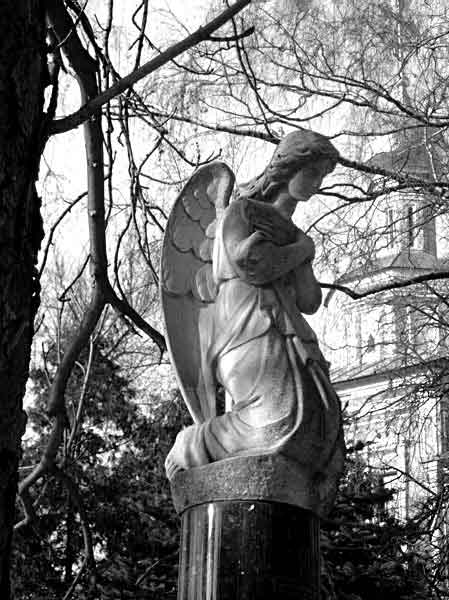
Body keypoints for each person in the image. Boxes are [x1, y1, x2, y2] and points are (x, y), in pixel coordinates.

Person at [165, 130, 344, 508]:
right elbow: (251, 264)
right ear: (289, 166)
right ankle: (193, 445)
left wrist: (302, 250)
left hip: (288, 332)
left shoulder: (295, 234)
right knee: (278, 418)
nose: (317, 184)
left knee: (317, 421)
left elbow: (310, 300)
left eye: (323, 177)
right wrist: (301, 250)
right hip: (247, 328)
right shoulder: (241, 212)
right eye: (313, 173)